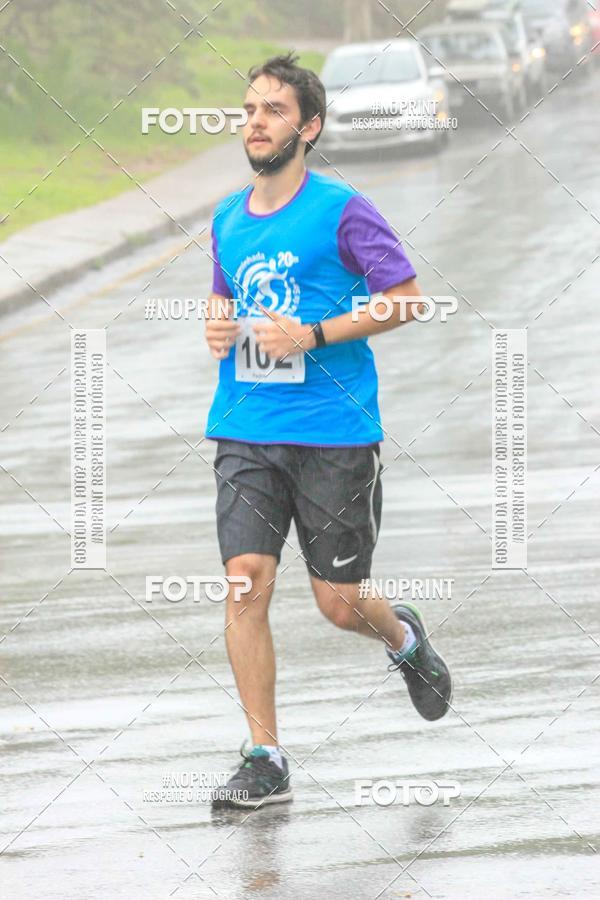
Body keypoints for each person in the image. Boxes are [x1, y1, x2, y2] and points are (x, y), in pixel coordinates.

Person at [205, 53, 452, 809]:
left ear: (308, 127)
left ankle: (402, 636)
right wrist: (217, 325)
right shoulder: (224, 219)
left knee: (338, 602)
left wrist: (311, 335)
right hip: (245, 424)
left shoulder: (343, 209)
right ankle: (265, 757)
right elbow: (223, 301)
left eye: (274, 110)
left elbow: (406, 299)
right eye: (249, 109)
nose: (256, 121)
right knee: (244, 584)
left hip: (335, 431)